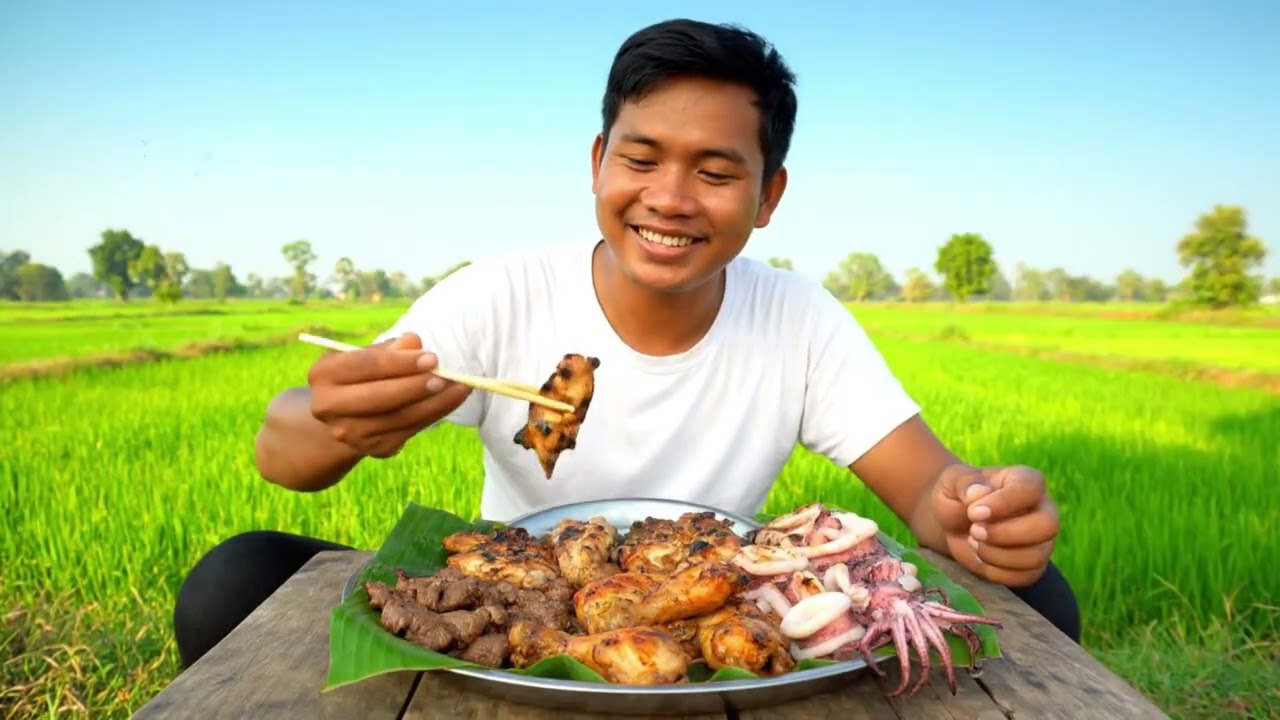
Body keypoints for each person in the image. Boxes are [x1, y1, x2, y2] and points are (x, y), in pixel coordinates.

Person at [173, 17, 1080, 669]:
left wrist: (982, 511)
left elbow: (927, 488)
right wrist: (336, 422)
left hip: (715, 615)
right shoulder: (500, 292)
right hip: (518, 608)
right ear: (598, 161)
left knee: (1043, 597)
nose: (671, 197)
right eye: (641, 159)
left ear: (769, 197)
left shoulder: (797, 317)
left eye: (718, 171)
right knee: (235, 574)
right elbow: (286, 451)